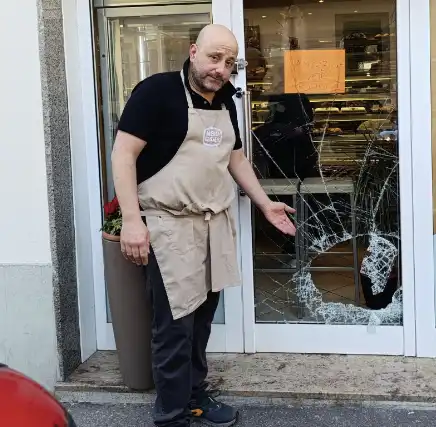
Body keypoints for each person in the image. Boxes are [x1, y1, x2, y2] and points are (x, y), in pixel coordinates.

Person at [111, 24, 296, 427]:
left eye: (229, 63)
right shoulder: (156, 92)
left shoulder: (226, 101)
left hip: (214, 225)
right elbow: (123, 154)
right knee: (174, 325)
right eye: (214, 57)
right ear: (194, 52)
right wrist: (131, 221)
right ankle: (172, 414)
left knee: (201, 320)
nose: (220, 69)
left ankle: (194, 395)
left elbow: (235, 159)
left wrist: (264, 204)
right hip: (169, 225)